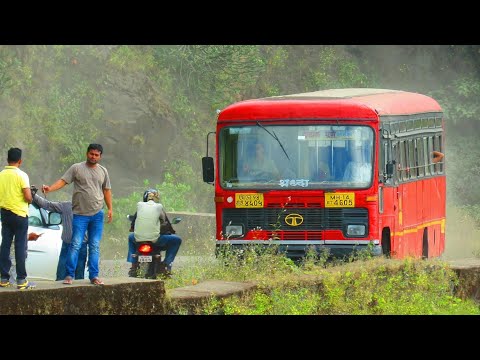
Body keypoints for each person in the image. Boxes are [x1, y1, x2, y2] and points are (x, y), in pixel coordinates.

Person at [42, 143, 112, 286]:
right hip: (80, 214)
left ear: (100, 156)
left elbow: (106, 190)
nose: (93, 157)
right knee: (75, 244)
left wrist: (110, 208)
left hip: (97, 213)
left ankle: (94, 276)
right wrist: (50, 188)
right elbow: (63, 181)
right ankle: (69, 275)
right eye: (91, 154)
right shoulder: (77, 168)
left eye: (96, 155)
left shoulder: (103, 171)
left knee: (94, 245)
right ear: (87, 153)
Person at [31, 186, 88, 281]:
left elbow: (46, 205)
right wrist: (34, 195)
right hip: (69, 245)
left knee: (78, 277)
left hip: (80, 246)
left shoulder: (90, 209)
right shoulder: (67, 206)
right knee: (63, 276)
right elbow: (47, 205)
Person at [0, 147, 36, 290]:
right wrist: (31, 196)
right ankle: (21, 280)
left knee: (5, 245)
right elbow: (27, 197)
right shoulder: (22, 175)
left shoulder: (1, 175)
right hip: (20, 215)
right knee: (20, 246)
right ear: (20, 161)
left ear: (7, 160)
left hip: (5, 214)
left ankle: (3, 278)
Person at [127, 189, 182, 278]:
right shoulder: (159, 207)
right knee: (177, 240)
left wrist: (133, 228)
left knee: (130, 237)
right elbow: (166, 223)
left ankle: (133, 265)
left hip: (139, 239)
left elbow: (133, 223)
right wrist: (171, 231)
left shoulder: (140, 207)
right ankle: (166, 264)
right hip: (155, 239)